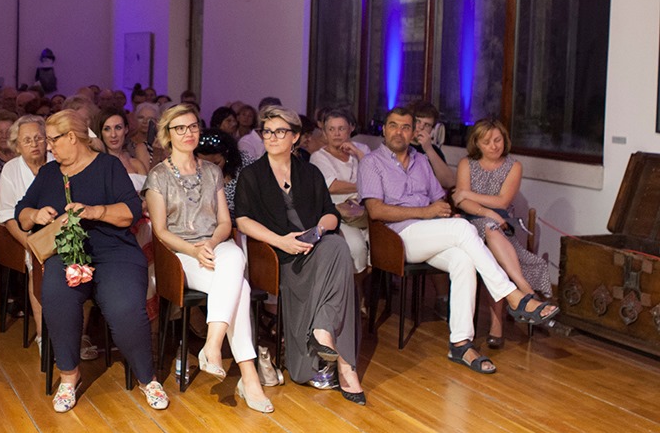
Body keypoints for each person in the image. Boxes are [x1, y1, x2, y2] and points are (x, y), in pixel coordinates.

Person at [356, 107, 559, 374]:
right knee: (464, 228)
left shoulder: (421, 160)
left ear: (413, 132)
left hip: (428, 232)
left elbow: (440, 198)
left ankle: (460, 344)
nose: (399, 132)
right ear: (384, 129)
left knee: (463, 259)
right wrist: (426, 213)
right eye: (393, 125)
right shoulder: (371, 163)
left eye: (406, 127)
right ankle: (513, 296)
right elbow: (375, 211)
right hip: (396, 237)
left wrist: (443, 212)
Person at [15, 110, 169, 413]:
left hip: (115, 252)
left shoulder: (108, 166)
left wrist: (95, 211)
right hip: (69, 253)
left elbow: (130, 212)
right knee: (57, 296)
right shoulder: (49, 173)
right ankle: (69, 375)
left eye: (53, 140)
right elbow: (22, 214)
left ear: (72, 137)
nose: (48, 147)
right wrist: (35, 214)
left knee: (125, 308)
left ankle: (147, 378)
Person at [144, 105, 273, 412]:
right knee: (240, 287)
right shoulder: (158, 176)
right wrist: (194, 250)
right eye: (180, 128)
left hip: (214, 246)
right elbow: (160, 231)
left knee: (234, 254)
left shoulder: (212, 171)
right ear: (168, 135)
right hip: (179, 255)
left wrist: (211, 243)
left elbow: (225, 223)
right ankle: (249, 377)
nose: (188, 133)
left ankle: (212, 344)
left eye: (192, 127)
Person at [234, 106, 366, 404]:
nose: (272, 137)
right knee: (340, 263)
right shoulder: (252, 175)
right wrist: (281, 241)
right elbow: (242, 220)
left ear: (295, 137)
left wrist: (318, 231)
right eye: (267, 132)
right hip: (276, 255)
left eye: (280, 132)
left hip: (313, 247)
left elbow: (331, 214)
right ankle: (341, 361)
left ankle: (331, 345)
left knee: (336, 245)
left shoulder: (309, 172)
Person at [453, 118, 553, 349]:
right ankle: (525, 293)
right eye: (487, 142)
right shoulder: (466, 164)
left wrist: (467, 193)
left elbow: (503, 201)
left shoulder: (513, 166)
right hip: (471, 224)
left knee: (493, 249)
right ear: (477, 143)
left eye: (498, 140)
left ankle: (499, 322)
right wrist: (488, 212)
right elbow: (462, 203)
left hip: (503, 228)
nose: (494, 146)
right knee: (490, 228)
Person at [0, 115, 50, 344]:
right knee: (37, 266)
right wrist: (30, 244)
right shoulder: (11, 170)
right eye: (27, 140)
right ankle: (42, 335)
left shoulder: (58, 161)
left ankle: (78, 335)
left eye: (39, 138)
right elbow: (8, 216)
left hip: (61, 230)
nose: (34, 144)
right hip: (28, 235)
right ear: (17, 146)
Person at [310, 108, 369, 274]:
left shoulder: (361, 149)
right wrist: (364, 185)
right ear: (324, 133)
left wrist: (357, 153)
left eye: (341, 128)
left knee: (384, 244)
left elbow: (376, 174)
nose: (336, 133)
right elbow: (332, 186)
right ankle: (355, 286)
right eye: (331, 129)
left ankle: (372, 287)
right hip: (341, 214)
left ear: (351, 128)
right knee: (357, 248)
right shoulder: (318, 157)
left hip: (366, 211)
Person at [194, 128, 256, 220]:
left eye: (216, 163)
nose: (211, 169)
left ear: (226, 154)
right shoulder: (191, 172)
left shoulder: (245, 164)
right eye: (205, 164)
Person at [410, 101, 456, 190]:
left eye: (427, 125)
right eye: (418, 121)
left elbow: (449, 183)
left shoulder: (434, 150)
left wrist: (429, 149)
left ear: (432, 129)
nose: (421, 127)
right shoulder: (400, 145)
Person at [96, 108, 147, 180]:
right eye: (107, 129)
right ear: (101, 132)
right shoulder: (95, 164)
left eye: (118, 128)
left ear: (126, 129)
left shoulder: (136, 164)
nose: (113, 135)